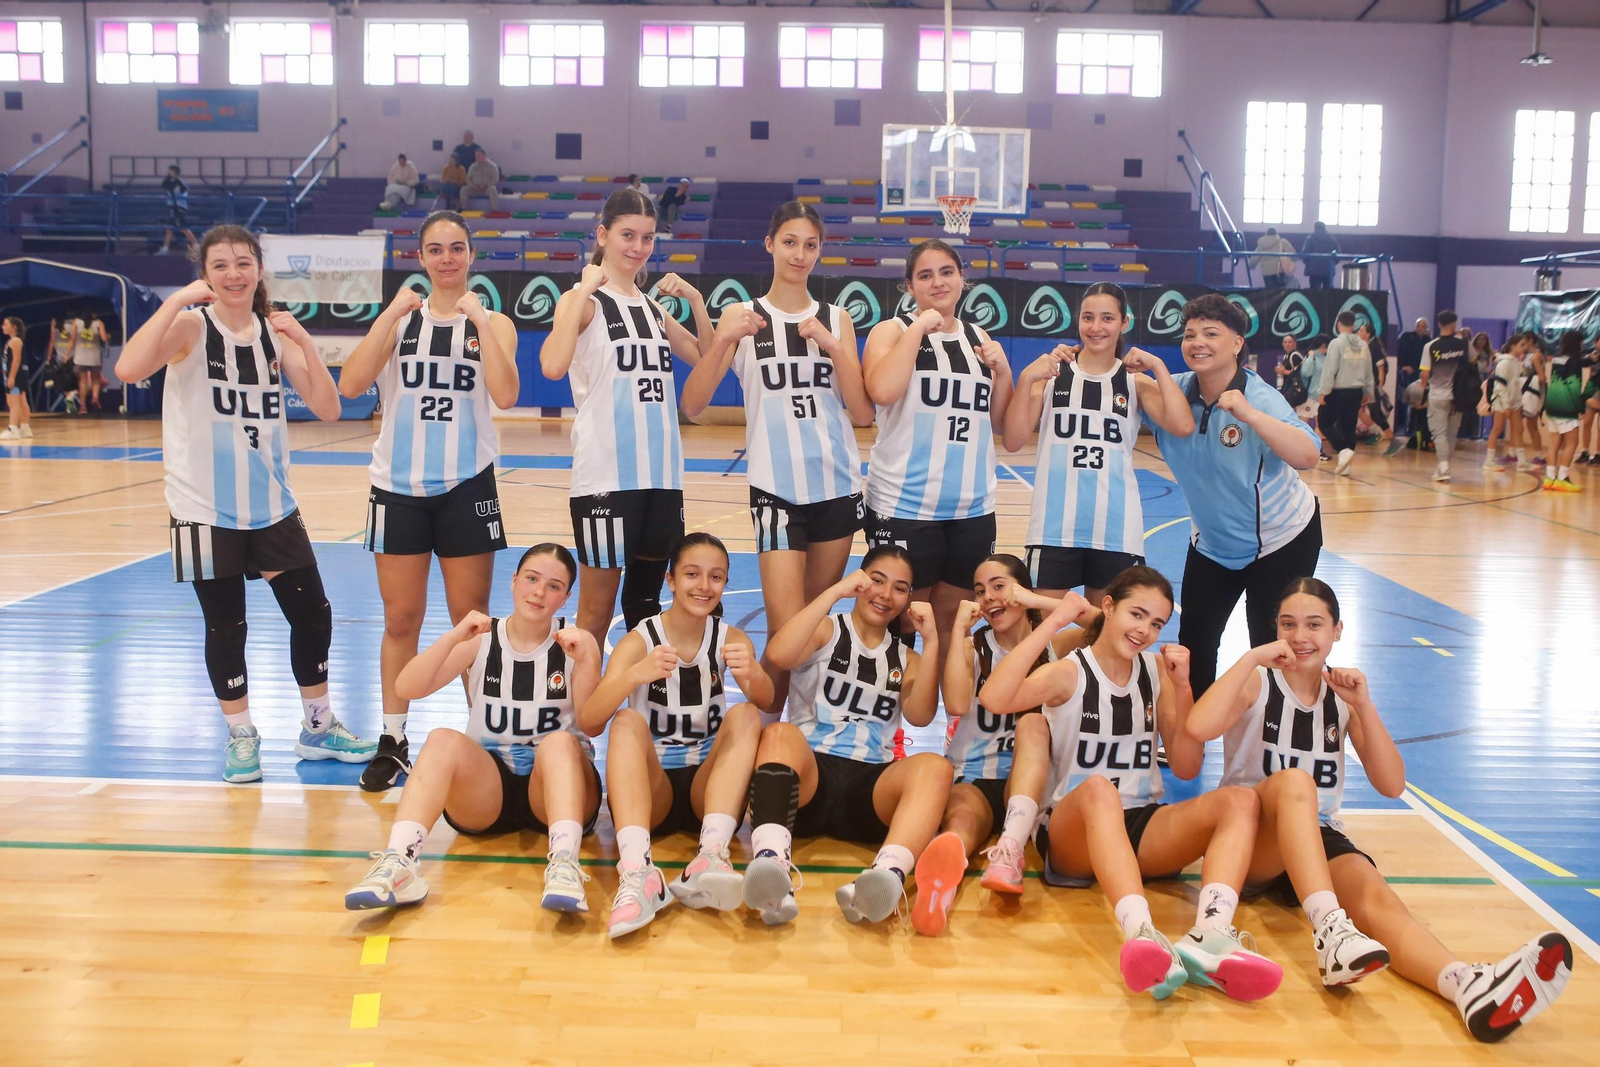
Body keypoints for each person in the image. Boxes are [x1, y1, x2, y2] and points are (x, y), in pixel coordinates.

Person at [1187, 578, 1574, 1040]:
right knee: (1294, 784)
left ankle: (1464, 985)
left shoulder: (1341, 698)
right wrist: (1250, 655)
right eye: (1288, 624)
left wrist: (1365, 706)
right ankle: (1331, 932)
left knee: (1377, 898)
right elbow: (1199, 727)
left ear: (1338, 631)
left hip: (1314, 833)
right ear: (1275, 629)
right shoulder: (1257, 681)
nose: (1300, 635)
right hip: (1252, 835)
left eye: (1314, 624)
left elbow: (1391, 784)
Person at [115, 224, 373, 782]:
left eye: (242, 263)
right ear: (205, 275)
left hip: (272, 504)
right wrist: (178, 299)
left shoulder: (273, 335)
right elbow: (128, 369)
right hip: (202, 506)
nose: (233, 274)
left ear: (259, 268)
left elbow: (329, 409)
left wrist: (304, 341)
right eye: (220, 266)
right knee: (227, 627)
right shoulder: (188, 326)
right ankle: (241, 734)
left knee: (312, 613)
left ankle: (318, 725)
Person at [981, 566, 1283, 1002]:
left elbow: (1185, 767)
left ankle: (1212, 935)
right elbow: (994, 698)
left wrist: (1182, 688)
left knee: (1238, 800)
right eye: (1136, 615)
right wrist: (1053, 619)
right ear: (1108, 606)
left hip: (1139, 823)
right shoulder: (1070, 672)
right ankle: (1142, 932)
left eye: (1156, 623)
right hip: (1073, 831)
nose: (1145, 630)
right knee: (1100, 788)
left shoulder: (1157, 671)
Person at [337, 211, 520, 791]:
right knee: (400, 617)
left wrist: (481, 325)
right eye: (436, 249)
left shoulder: (492, 321)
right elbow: (349, 384)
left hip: (467, 486)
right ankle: (393, 739)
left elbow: (507, 394)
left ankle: (481, 738)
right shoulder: (399, 322)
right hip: (397, 487)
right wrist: (390, 313)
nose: (447, 258)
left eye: (457, 248)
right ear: (421, 257)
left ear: (470, 256)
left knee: (471, 623)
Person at [681, 202, 873, 720]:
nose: (800, 254)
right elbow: (693, 405)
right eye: (790, 242)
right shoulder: (743, 317)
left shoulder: (837, 319)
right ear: (770, 245)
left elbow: (861, 412)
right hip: (776, 490)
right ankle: (762, 734)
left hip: (836, 486)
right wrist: (723, 338)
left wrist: (835, 347)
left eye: (810, 245)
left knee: (816, 625)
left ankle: (803, 738)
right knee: (788, 628)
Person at [344, 545, 604, 915]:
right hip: (488, 792)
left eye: (553, 586)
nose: (538, 592)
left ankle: (564, 864)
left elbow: (593, 723)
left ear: (565, 597)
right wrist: (454, 637)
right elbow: (407, 688)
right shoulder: (482, 637)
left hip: (555, 790)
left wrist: (590, 661)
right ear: (513, 581)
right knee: (441, 739)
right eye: (531, 579)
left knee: (560, 742)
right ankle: (399, 862)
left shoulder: (576, 642)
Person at [576, 533, 773, 938]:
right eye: (692, 574)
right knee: (626, 723)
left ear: (725, 583)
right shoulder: (639, 641)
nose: (704, 586)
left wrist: (753, 674)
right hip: (654, 790)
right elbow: (591, 720)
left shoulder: (730, 638)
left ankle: (711, 856)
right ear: (670, 580)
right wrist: (635, 674)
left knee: (748, 714)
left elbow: (768, 701)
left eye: (716, 577)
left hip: (709, 789)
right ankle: (637, 874)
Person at [540, 189, 711, 651]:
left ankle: (639, 709)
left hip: (661, 478)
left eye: (648, 238)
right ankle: (573, 717)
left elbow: (706, 357)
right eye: (627, 236)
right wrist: (584, 287)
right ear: (603, 235)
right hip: (607, 478)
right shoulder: (584, 300)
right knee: (594, 613)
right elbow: (553, 365)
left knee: (645, 606)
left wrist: (695, 300)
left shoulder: (651, 308)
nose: (637, 247)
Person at [744, 546, 951, 927]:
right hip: (810, 780)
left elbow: (921, 716)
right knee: (777, 734)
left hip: (868, 790)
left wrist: (933, 640)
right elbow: (779, 652)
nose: (886, 594)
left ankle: (885, 877)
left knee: (936, 767)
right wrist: (835, 592)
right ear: (859, 579)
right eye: (877, 580)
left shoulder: (907, 658)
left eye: (900, 588)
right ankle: (772, 865)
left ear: (909, 599)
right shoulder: (827, 628)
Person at [1145, 294, 1321, 697]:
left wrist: (1251, 416)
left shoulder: (1259, 398)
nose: (1198, 343)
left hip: (1281, 540)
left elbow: (1309, 454)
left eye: (1211, 333)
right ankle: (1191, 730)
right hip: (1213, 543)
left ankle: (1276, 733)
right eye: (1190, 335)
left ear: (1238, 343)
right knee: (1195, 641)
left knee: (1270, 643)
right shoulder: (1177, 391)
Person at [861, 240, 1013, 679]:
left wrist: (1003, 372)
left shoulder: (979, 338)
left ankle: (954, 722)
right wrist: (918, 329)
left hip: (971, 507)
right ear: (910, 286)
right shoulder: (892, 331)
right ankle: (887, 720)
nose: (938, 282)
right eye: (925, 275)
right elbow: (882, 392)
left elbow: (999, 423)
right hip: (905, 504)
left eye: (946, 272)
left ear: (962, 278)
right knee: (900, 617)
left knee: (952, 623)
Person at [920, 555, 1091, 933]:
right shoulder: (974, 647)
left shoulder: (1054, 642)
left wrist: (1039, 604)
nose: (989, 598)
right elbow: (957, 705)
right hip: (976, 775)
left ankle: (1009, 851)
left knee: (1032, 724)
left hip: (1031, 783)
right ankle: (938, 890)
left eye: (999, 586)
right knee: (960, 825)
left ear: (1020, 589)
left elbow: (1103, 625)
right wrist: (959, 634)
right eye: (980, 591)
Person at [1004, 281, 1193, 603]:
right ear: (1078, 321)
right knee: (1038, 630)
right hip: (1054, 527)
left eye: (1107, 318)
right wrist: (1026, 379)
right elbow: (1013, 439)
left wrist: (1159, 366)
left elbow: (1182, 425)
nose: (1096, 327)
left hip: (1116, 530)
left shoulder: (1135, 382)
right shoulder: (1052, 375)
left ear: (1124, 322)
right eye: (1088, 318)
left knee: (1105, 634)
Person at [1537, 329, 1597, 492]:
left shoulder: (1557, 358)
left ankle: (1550, 478)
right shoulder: (1575, 361)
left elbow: (1576, 362)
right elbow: (1574, 385)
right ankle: (1563, 478)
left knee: (1554, 443)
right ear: (1577, 343)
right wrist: (1580, 406)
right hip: (1566, 405)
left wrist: (1591, 359)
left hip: (1552, 404)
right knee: (1572, 442)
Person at [1316, 311, 1374, 477]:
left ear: (1338, 324)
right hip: (1356, 392)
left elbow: (1330, 369)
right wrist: (1368, 391)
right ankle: (1345, 465)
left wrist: (1323, 392)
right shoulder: (1363, 345)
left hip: (1338, 391)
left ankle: (1343, 451)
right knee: (1349, 427)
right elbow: (1368, 370)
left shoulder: (1336, 343)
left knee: (1324, 421)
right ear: (1354, 325)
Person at [1418, 310, 1470, 483]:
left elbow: (1425, 375)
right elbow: (1475, 360)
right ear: (1454, 323)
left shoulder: (1431, 346)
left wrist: (1422, 388)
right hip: (1459, 395)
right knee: (1451, 434)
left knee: (1439, 433)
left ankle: (1443, 467)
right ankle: (1443, 467)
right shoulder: (1464, 344)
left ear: (1439, 324)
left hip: (1438, 395)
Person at [1481, 335, 1527, 471]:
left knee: (1518, 430)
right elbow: (1500, 386)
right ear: (1513, 346)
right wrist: (1506, 405)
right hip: (1502, 402)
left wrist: (1518, 402)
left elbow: (1515, 385)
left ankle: (1522, 462)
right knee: (1497, 429)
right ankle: (1489, 462)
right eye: (1521, 345)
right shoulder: (1504, 363)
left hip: (1514, 403)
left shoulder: (1515, 363)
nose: (1524, 348)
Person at [1394, 318, 1430, 439]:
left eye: (1423, 326)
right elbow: (1398, 352)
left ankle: (1417, 428)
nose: (1420, 328)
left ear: (1426, 328)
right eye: (1419, 326)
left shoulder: (1427, 341)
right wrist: (1403, 366)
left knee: (1421, 401)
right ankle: (1405, 427)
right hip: (1407, 374)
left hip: (1421, 374)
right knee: (1408, 401)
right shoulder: (1406, 337)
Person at [0, 317, 31, 441]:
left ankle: (13, 428)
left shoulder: (16, 341)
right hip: (14, 375)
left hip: (16, 376)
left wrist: (11, 377)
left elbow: (17, 360)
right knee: (22, 401)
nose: (3, 326)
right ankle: (25, 428)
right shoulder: (11, 341)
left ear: (14, 327)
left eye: (5, 324)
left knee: (13, 402)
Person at [73, 312, 109, 412]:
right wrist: (108, 336)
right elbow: (104, 338)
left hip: (80, 357)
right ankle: (95, 397)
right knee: (95, 379)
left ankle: (83, 406)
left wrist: (67, 354)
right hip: (94, 357)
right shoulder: (99, 323)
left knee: (83, 382)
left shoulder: (76, 322)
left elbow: (72, 339)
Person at [158, 165, 198, 255]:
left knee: (183, 228)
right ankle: (165, 249)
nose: (169, 172)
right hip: (172, 207)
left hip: (179, 207)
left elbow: (183, 191)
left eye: (171, 171)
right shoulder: (169, 181)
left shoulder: (180, 182)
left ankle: (196, 247)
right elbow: (164, 185)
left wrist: (179, 204)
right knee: (169, 228)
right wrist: (168, 178)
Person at [1299, 221, 1340, 290]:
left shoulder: (1310, 239)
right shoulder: (1333, 240)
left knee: (1314, 292)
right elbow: (1337, 256)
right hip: (1328, 270)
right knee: (1328, 292)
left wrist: (1309, 263)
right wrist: (1332, 263)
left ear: (1315, 228)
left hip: (1314, 271)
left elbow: (1304, 254)